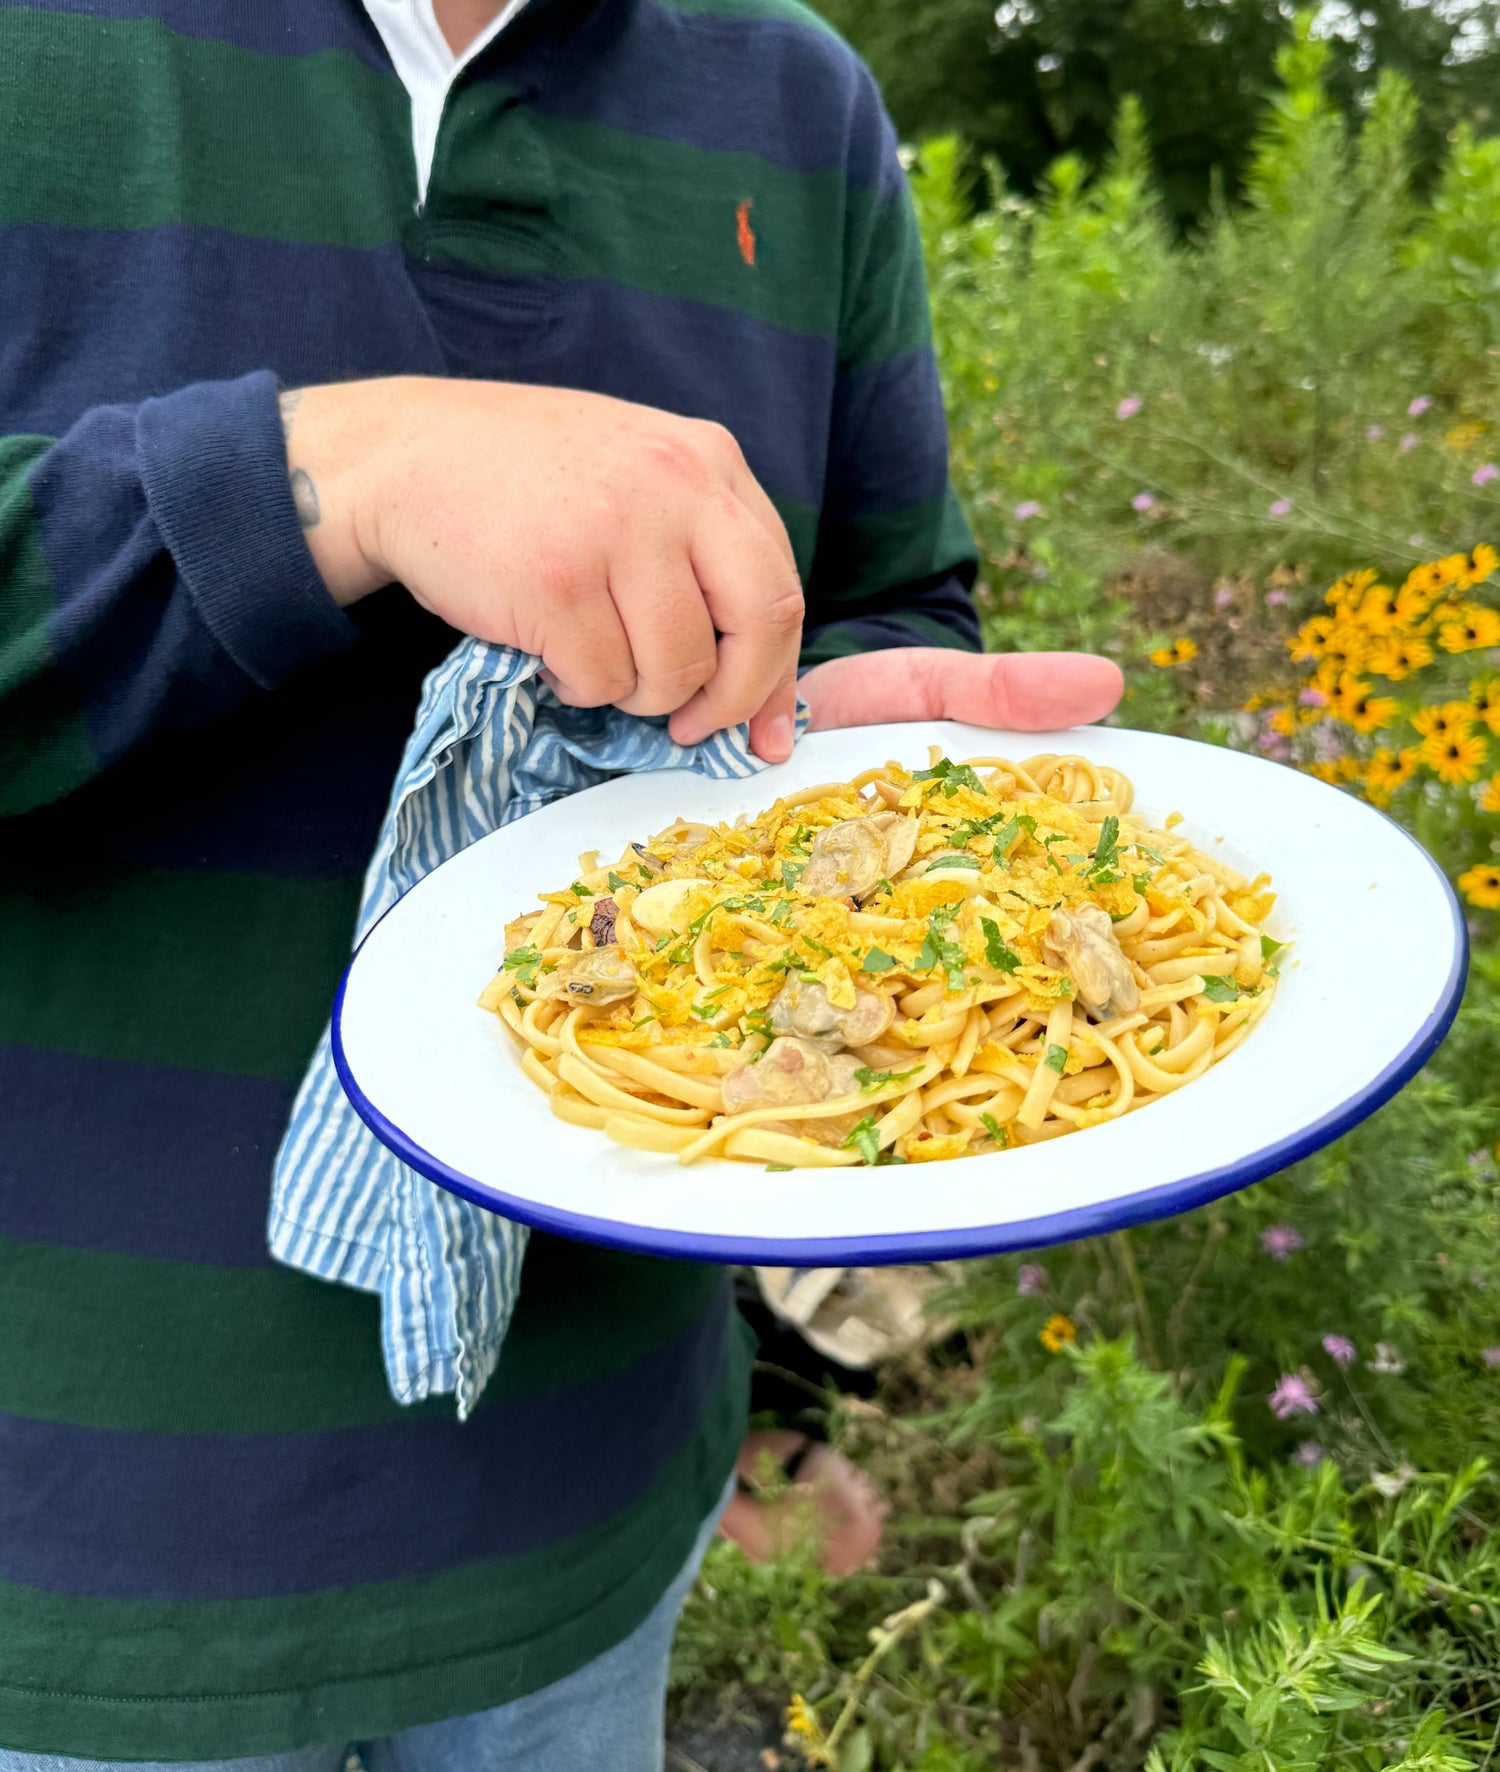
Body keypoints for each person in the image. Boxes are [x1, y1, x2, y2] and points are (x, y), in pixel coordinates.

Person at [0, 0, 1122, 1766]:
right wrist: (338, 472)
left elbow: (894, 603)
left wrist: (800, 758)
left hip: (590, 1517)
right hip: (66, 1571)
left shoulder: (797, 100)